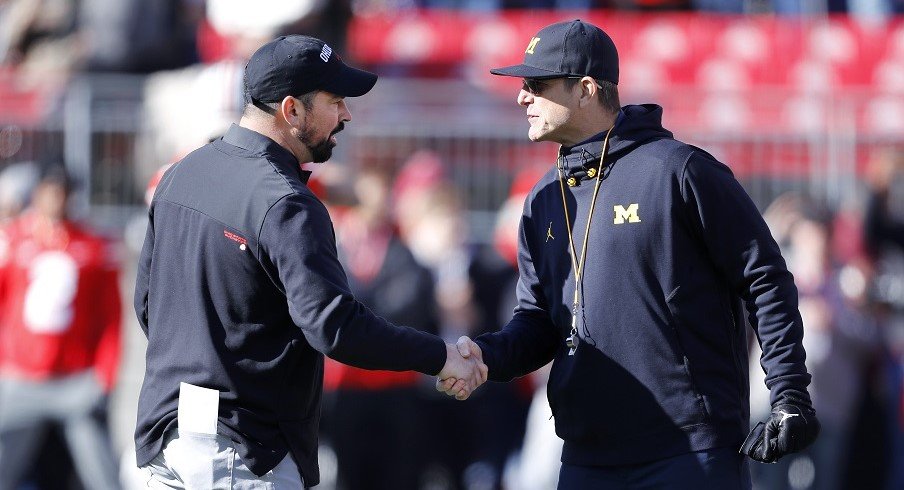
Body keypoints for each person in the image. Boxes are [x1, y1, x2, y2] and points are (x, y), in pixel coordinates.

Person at [438, 19, 819, 489]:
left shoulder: (679, 171)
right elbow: (539, 323)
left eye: (536, 84)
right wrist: (485, 356)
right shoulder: (540, 199)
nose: (522, 97)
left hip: (686, 451)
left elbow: (764, 277)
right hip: (585, 456)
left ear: (585, 89)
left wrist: (789, 394)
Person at [134, 35, 487, 488]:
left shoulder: (181, 173)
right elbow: (336, 328)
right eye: (335, 101)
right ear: (291, 110)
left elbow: (148, 305)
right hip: (242, 455)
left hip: (170, 441)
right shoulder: (286, 202)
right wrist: (440, 356)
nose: (346, 114)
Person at [0, 166, 123, 490]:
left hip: (74, 381)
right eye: (50, 190)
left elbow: (111, 316)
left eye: (63, 191)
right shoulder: (13, 239)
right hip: (20, 379)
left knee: (100, 471)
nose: (56, 198)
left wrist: (104, 375)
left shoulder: (94, 246)